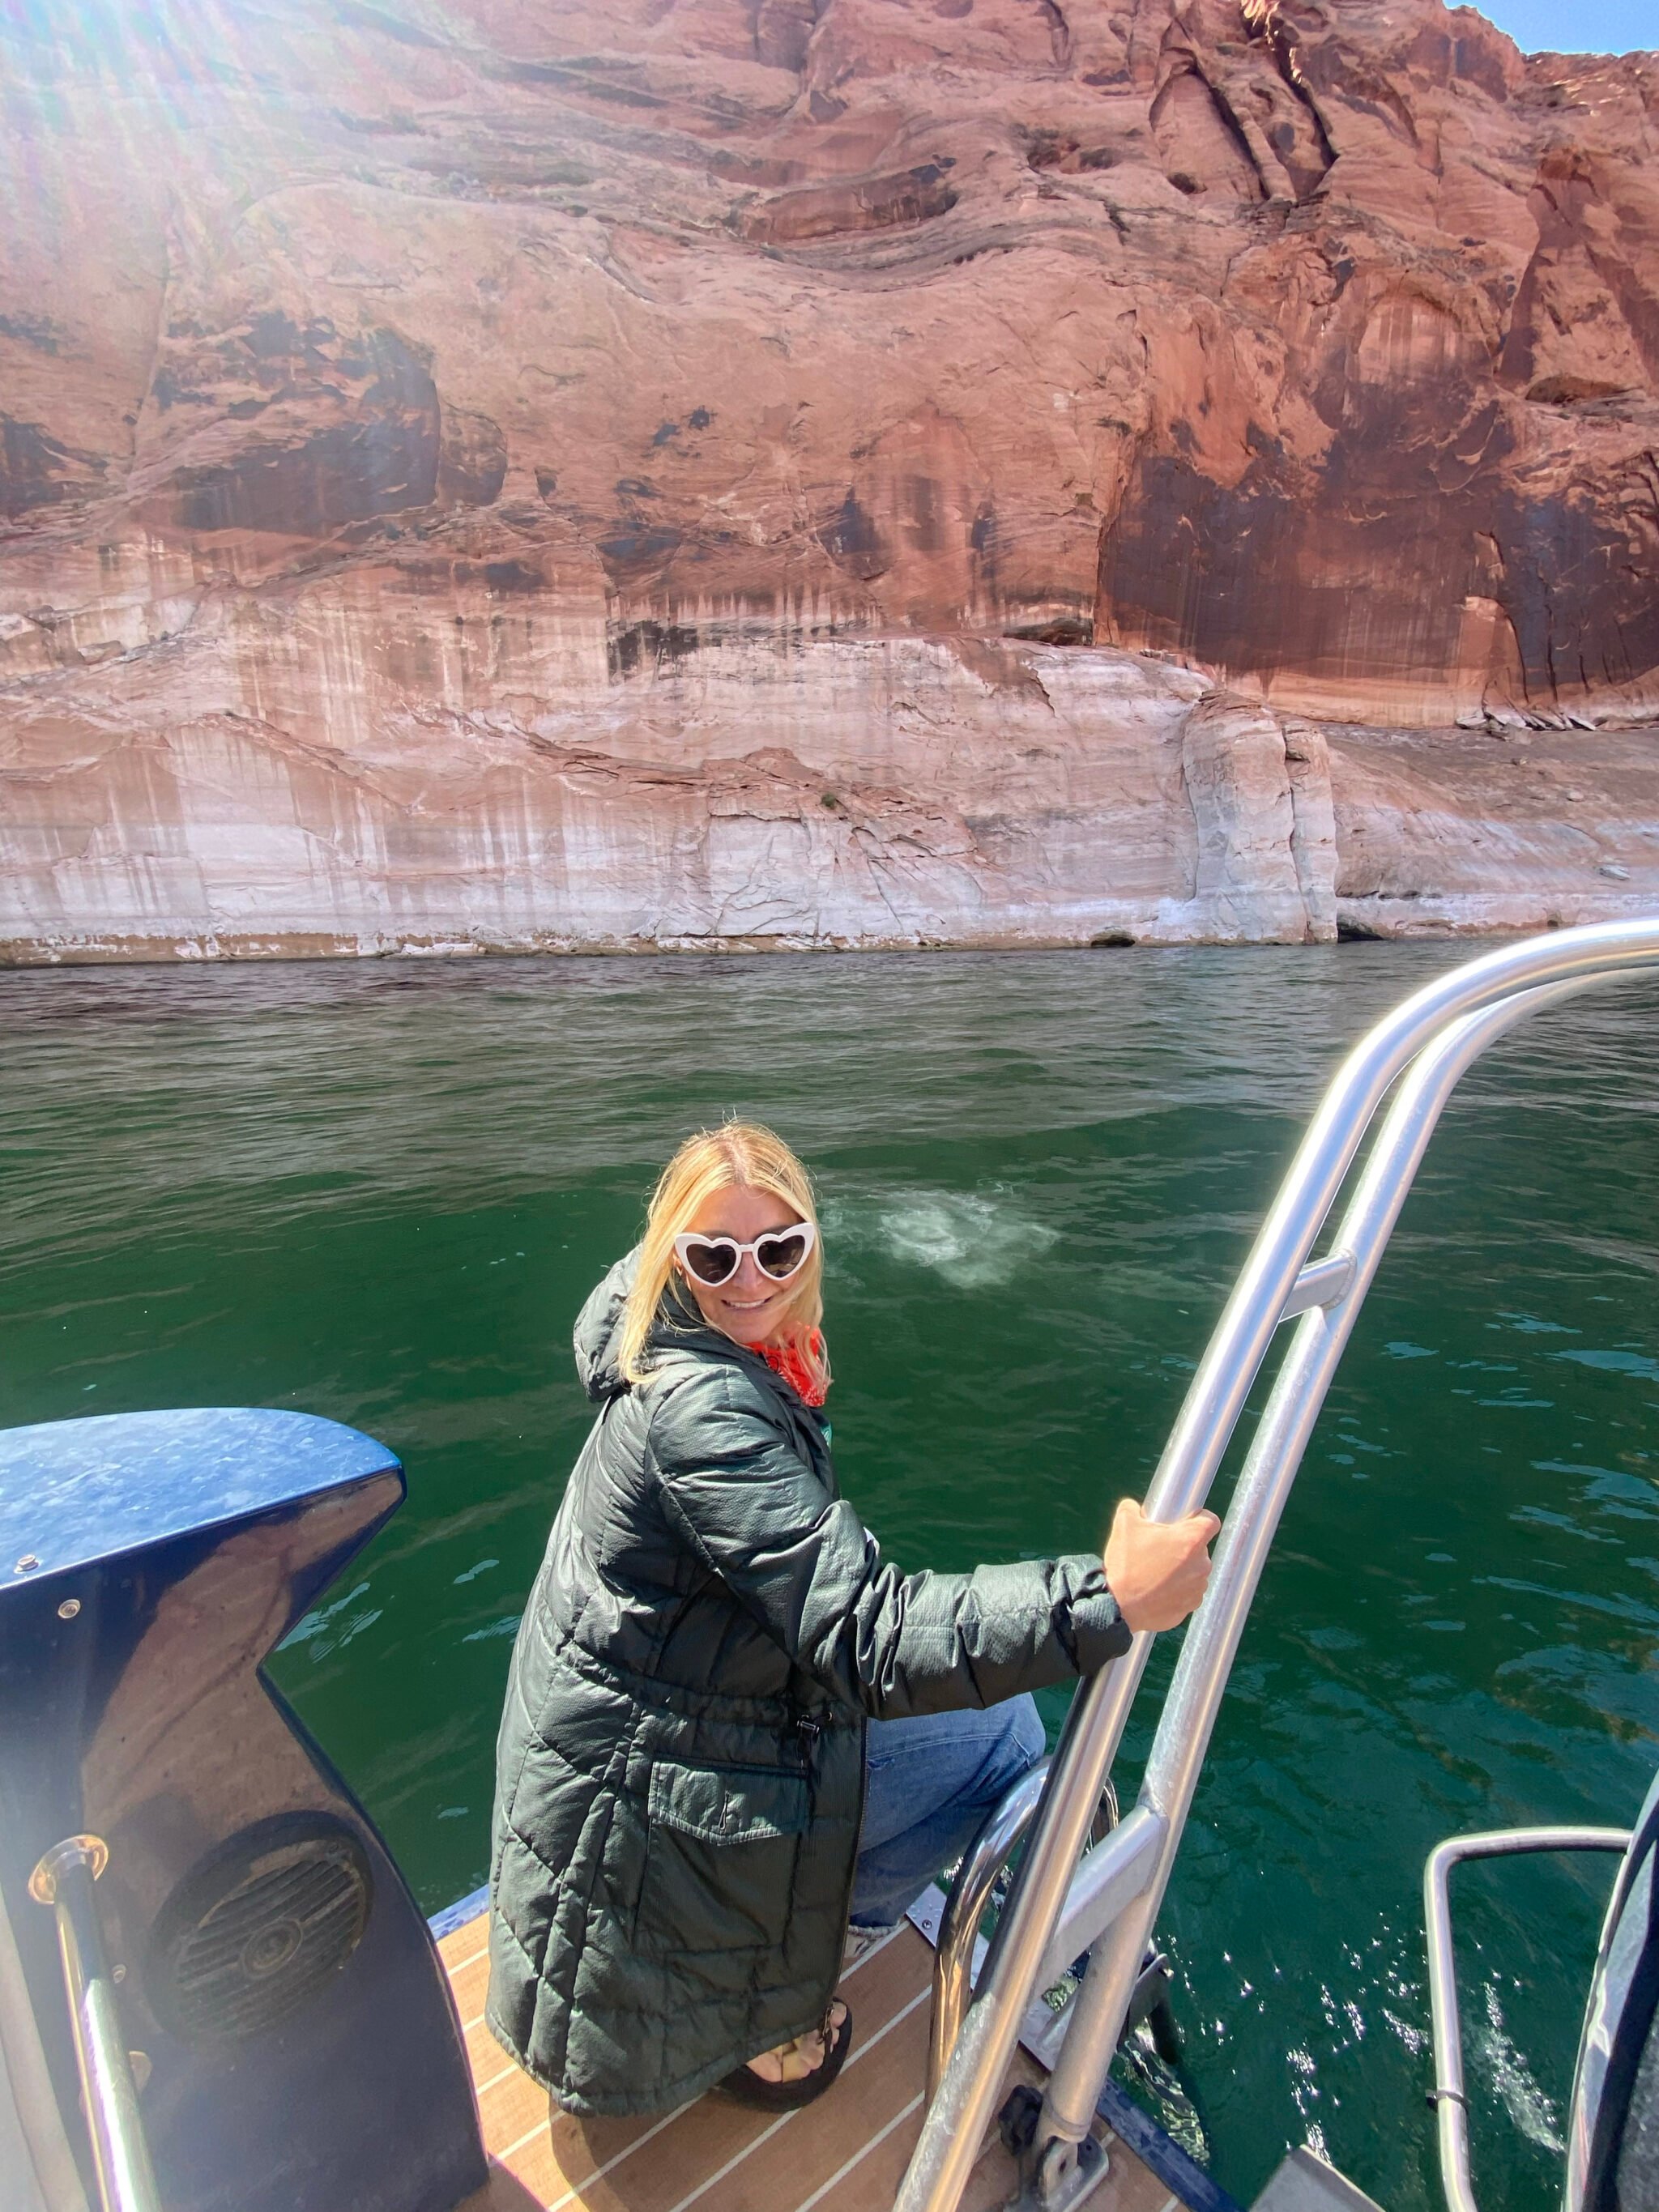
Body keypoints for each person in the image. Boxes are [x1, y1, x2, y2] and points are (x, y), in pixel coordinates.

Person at [485, 1121, 1218, 2119]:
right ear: (672, 1257)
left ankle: (799, 1940)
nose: (749, 1279)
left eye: (776, 1248)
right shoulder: (697, 1407)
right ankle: (777, 1992)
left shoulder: (663, 1338)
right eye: (714, 1255)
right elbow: (868, 1632)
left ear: (808, 1243)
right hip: (635, 1848)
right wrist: (1108, 1598)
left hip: (618, 1780)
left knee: (986, 1731)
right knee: (1008, 1739)